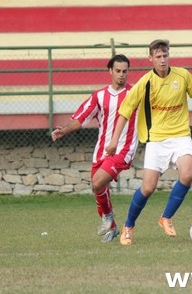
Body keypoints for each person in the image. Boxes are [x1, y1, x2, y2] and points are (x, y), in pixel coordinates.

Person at [106, 39, 192, 246]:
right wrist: (113, 142)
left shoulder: (183, 76)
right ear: (150, 59)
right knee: (148, 188)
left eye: (165, 56)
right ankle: (128, 226)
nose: (162, 60)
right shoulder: (145, 83)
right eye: (158, 57)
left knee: (188, 173)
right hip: (156, 140)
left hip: (181, 136)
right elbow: (124, 113)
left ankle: (166, 217)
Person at [51, 54, 138, 243]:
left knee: (98, 182)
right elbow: (81, 118)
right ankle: (112, 226)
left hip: (124, 149)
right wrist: (63, 131)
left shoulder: (135, 93)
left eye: (125, 71)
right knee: (97, 187)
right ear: (110, 71)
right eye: (118, 71)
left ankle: (108, 219)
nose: (122, 75)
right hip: (102, 150)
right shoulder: (99, 96)